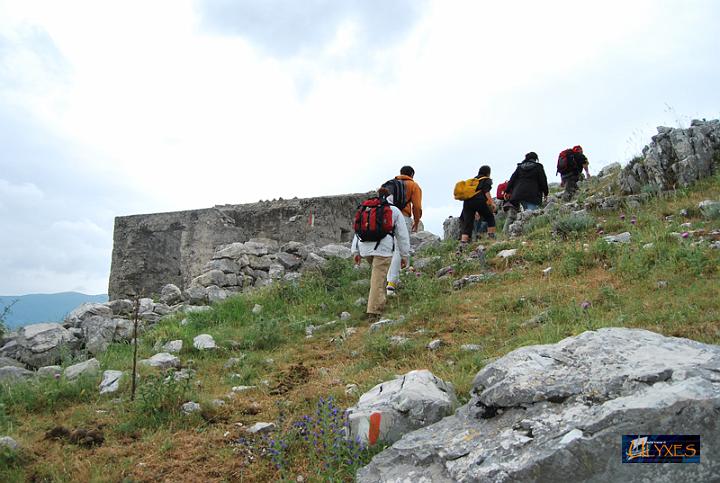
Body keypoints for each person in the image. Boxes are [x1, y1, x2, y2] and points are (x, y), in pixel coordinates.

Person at [352, 187, 411, 321]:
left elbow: (357, 231)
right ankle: (374, 312)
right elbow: (402, 235)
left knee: (379, 277)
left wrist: (355, 251)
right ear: (390, 196)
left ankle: (381, 302)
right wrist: (405, 255)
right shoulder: (393, 210)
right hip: (383, 249)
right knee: (377, 280)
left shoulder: (366, 208)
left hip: (365, 248)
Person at [386, 166, 422, 296]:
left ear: (400, 173)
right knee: (399, 250)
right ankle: (391, 284)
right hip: (403, 217)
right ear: (412, 174)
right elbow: (417, 206)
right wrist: (416, 221)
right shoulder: (413, 185)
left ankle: (387, 281)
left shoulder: (391, 184)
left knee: (389, 249)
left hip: (386, 217)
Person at [503, 152, 549, 233]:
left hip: (518, 194)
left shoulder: (520, 167)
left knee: (520, 214)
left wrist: (507, 191)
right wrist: (546, 193)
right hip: (532, 195)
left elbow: (512, 179)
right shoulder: (538, 167)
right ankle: (529, 232)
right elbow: (543, 181)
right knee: (531, 215)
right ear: (535, 159)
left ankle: (511, 232)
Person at [459, 165, 496, 250]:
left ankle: (463, 244)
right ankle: (491, 238)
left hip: (467, 202)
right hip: (479, 200)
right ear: (488, 172)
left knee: (468, 223)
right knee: (490, 217)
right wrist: (492, 203)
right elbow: (486, 192)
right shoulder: (486, 180)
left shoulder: (473, 181)